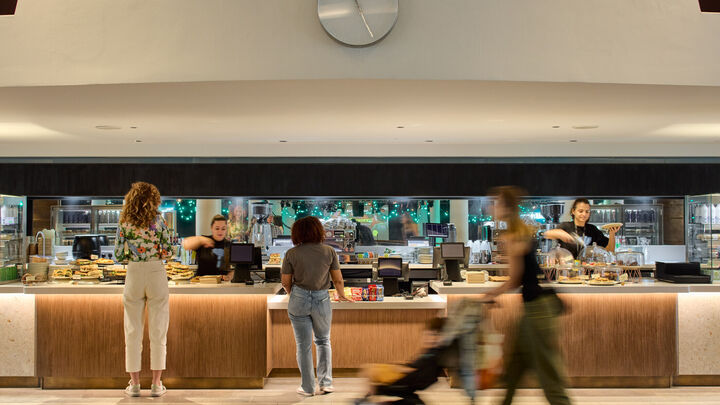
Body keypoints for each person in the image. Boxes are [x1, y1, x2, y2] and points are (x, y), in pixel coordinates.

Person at [482, 186, 571, 405]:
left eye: (494, 202)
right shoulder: (520, 230)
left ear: (504, 206)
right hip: (536, 307)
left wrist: (488, 295)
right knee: (514, 369)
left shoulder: (512, 235)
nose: (491, 207)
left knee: (548, 376)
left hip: (538, 311)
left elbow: (514, 279)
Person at [281, 216, 352, 396]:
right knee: (323, 341)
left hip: (299, 298)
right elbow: (337, 279)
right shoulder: (329, 251)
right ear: (319, 231)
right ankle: (326, 383)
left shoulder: (291, 253)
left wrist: (293, 295)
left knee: (303, 345)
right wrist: (342, 295)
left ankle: (307, 388)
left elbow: (285, 282)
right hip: (321, 299)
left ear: (297, 233)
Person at [114, 182, 172, 397]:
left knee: (132, 329)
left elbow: (119, 255)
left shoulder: (125, 222)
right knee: (158, 329)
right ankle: (157, 384)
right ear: (154, 199)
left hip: (134, 273)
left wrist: (134, 254)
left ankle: (135, 383)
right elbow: (168, 252)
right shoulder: (159, 220)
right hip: (156, 272)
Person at [544, 198, 621, 258]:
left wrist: (612, 234)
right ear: (573, 211)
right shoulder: (565, 226)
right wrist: (560, 233)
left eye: (587, 211)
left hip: (588, 271)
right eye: (580, 211)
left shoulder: (592, 229)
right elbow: (547, 234)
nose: (584, 214)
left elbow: (610, 250)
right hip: (567, 270)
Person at [182, 214, 234, 280]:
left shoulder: (229, 245)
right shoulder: (203, 240)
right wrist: (201, 240)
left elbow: (235, 268)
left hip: (221, 285)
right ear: (212, 228)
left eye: (223, 229)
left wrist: (230, 275)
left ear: (226, 229)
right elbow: (185, 244)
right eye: (217, 228)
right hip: (201, 283)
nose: (220, 231)